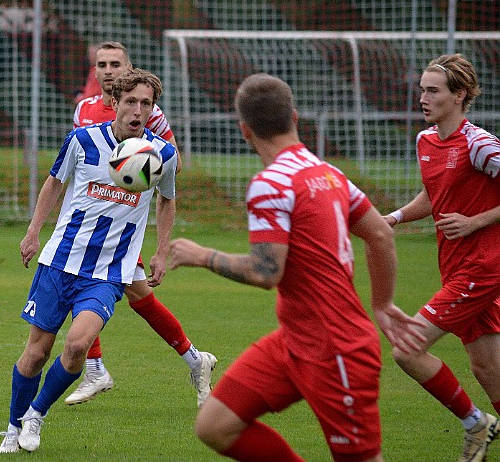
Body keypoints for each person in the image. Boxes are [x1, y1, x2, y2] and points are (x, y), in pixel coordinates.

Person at [169, 73, 426, 461]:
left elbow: (265, 272)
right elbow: (380, 234)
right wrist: (383, 304)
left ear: (244, 130)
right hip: (293, 340)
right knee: (215, 425)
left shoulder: (272, 184)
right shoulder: (328, 173)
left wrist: (202, 255)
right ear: (295, 116)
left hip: (336, 348)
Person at [0, 68, 178, 454]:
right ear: (115, 102)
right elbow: (55, 182)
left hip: (108, 273)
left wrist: (162, 250)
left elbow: (167, 198)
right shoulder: (82, 140)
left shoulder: (162, 154)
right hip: (60, 262)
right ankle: (12, 427)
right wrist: (33, 231)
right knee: (37, 353)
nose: (137, 110)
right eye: (131, 101)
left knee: (78, 346)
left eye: (146, 104)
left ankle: (36, 416)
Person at [64, 41, 215, 407]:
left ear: (127, 68)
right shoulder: (84, 110)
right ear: (95, 71)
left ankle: (100, 369)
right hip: (86, 223)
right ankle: (194, 360)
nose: (108, 70)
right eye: (102, 64)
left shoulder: (149, 113)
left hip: (120, 228)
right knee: (133, 295)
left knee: (112, 291)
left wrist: (137, 166)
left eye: (116, 63)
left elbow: (172, 164)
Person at [383, 53, 500, 462]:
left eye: (433, 91)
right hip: (454, 268)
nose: (423, 98)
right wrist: (392, 219)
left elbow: (467, 211)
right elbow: (435, 197)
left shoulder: (479, 143)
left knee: (406, 348)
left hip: (482, 269)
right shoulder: (427, 140)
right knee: (488, 369)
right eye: (421, 90)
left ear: (460, 95)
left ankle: (475, 423)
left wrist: (475, 222)